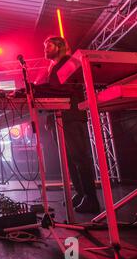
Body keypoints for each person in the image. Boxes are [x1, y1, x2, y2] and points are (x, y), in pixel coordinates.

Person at [36, 36, 100, 213]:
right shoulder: (54, 67)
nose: (45, 48)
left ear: (60, 46)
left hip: (71, 115)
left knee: (79, 157)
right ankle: (81, 193)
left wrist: (37, 89)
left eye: (48, 45)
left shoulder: (69, 62)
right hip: (59, 117)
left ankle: (91, 199)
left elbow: (67, 88)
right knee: (70, 159)